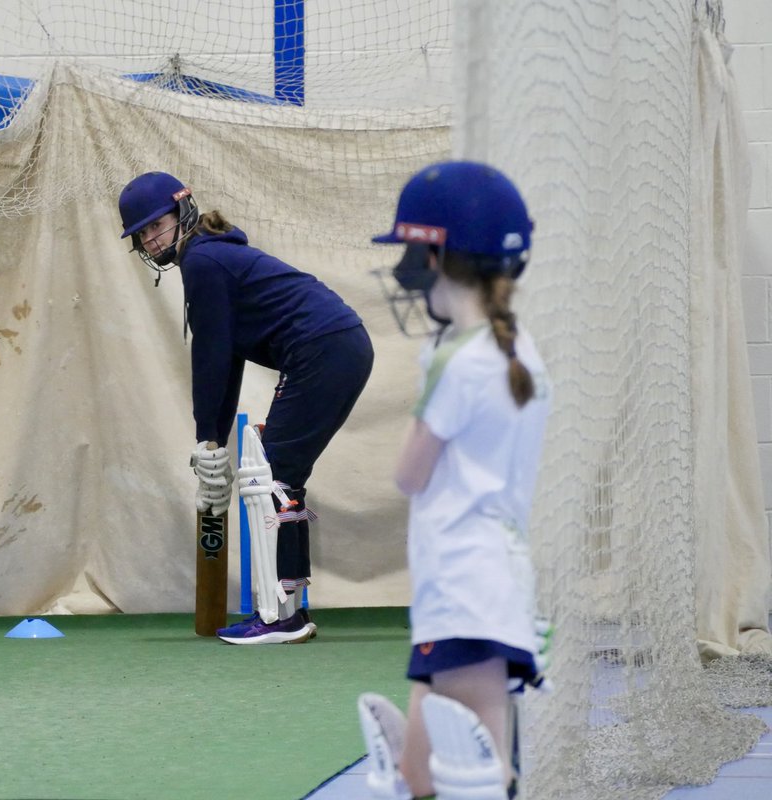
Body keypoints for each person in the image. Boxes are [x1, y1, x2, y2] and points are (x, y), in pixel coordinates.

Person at [356, 161, 552, 800]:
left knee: (479, 778)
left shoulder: (458, 360)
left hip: (466, 587)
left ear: (436, 257)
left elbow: (409, 476)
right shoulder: (518, 351)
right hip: (479, 584)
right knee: (419, 778)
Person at [117, 171, 374, 645]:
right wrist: (213, 440)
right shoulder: (209, 254)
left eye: (157, 225)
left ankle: (279, 618)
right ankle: (289, 612)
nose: (152, 239)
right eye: (142, 234)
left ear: (183, 210)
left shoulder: (203, 261)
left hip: (322, 348)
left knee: (271, 475)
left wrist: (206, 439)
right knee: (281, 474)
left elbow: (211, 357)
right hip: (337, 345)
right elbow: (229, 357)